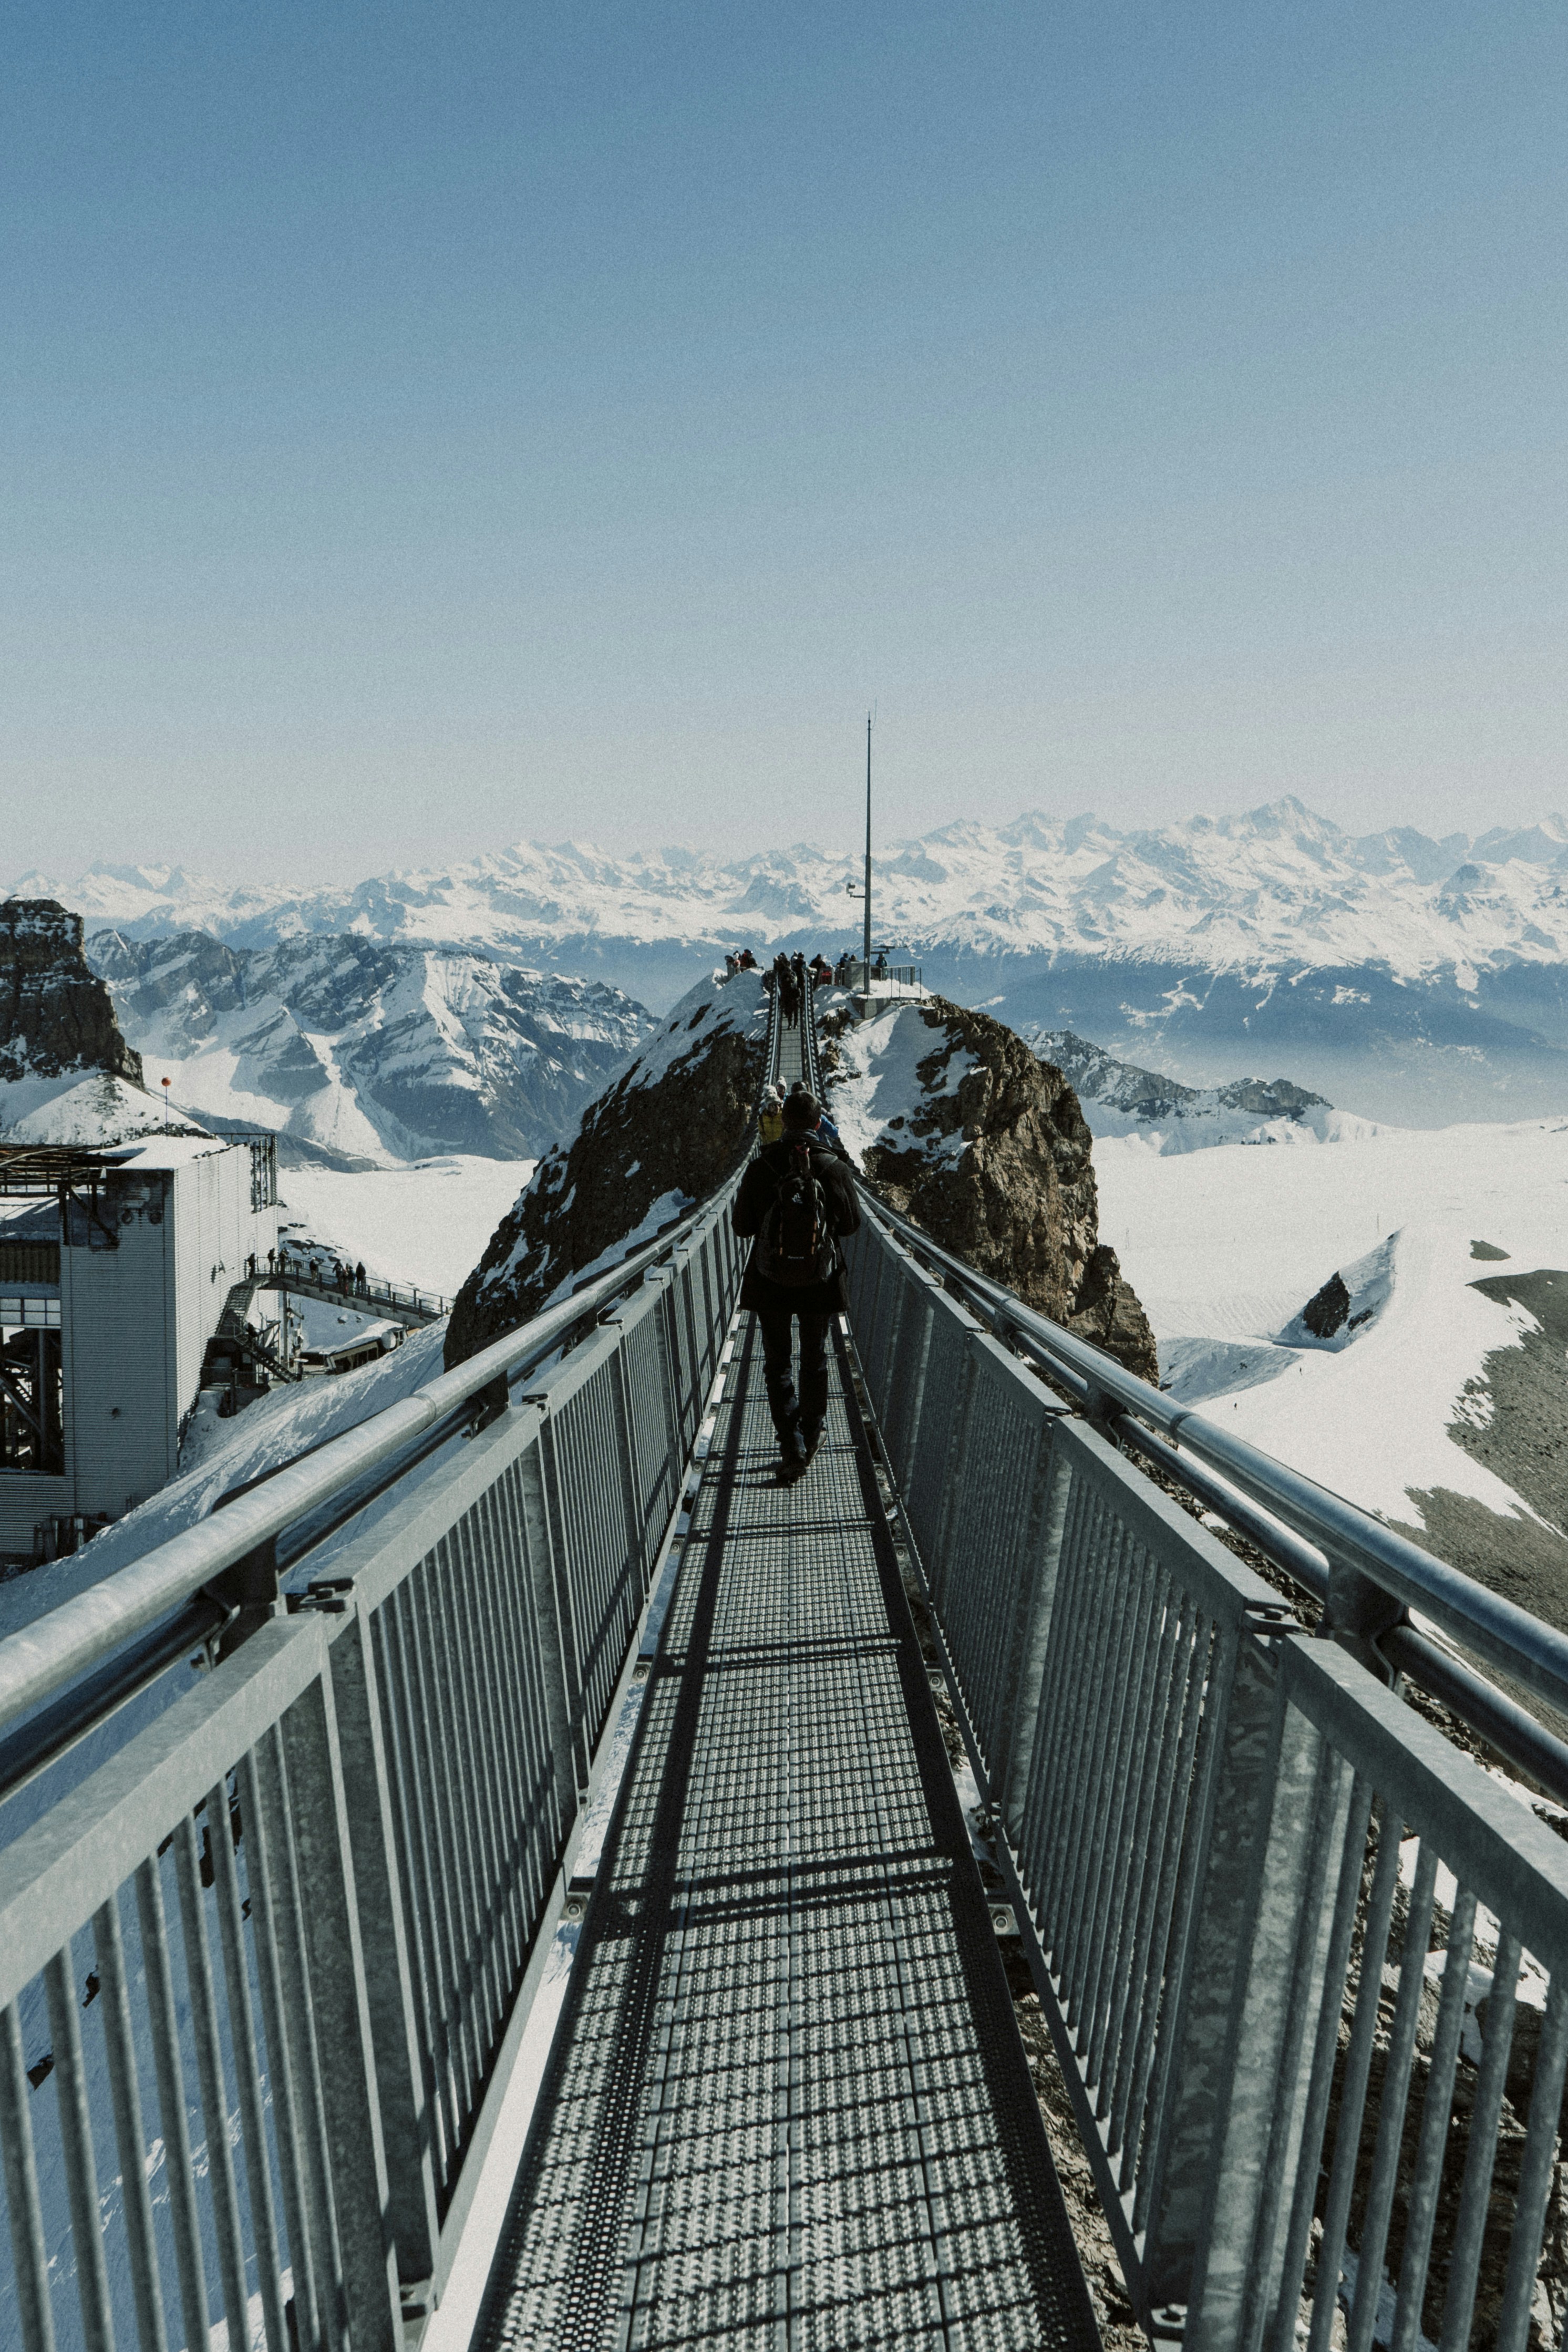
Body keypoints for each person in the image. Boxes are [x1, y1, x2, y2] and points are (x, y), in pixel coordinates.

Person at [733, 1090, 861, 1478]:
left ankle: (791, 1445)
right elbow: (852, 1225)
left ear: (783, 1123)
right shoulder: (834, 1167)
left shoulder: (761, 1167)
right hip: (818, 1283)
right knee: (814, 1358)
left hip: (770, 1283)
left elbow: (742, 1227)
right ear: (819, 1124)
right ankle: (813, 1430)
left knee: (777, 1364)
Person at [758, 1082, 786, 1146]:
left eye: (779, 1105)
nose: (777, 1108)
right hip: (769, 1147)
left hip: (781, 1147)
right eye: (774, 1106)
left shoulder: (784, 1116)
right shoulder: (762, 1117)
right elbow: (762, 1132)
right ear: (768, 1107)